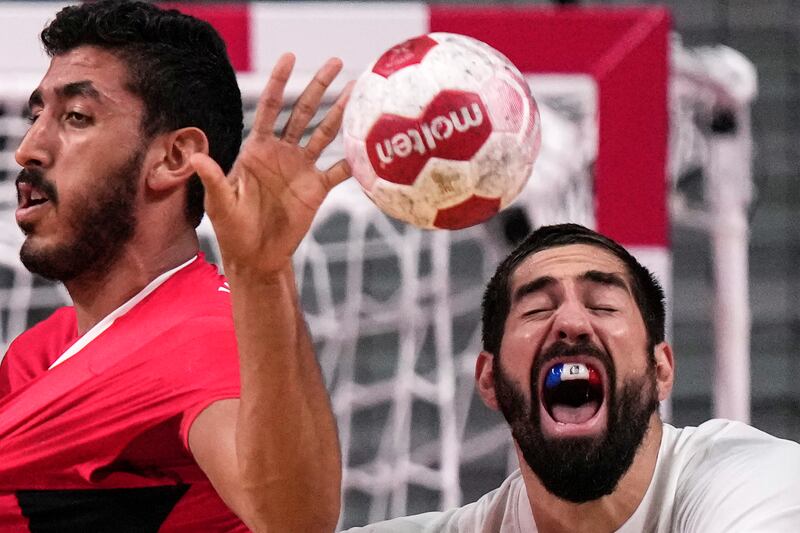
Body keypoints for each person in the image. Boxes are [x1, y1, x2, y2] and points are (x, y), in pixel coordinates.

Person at [0, 1, 349, 531]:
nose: (29, 148)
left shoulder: (203, 338)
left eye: (75, 117)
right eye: (35, 116)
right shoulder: (42, 350)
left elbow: (294, 521)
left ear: (173, 158)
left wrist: (262, 274)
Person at [346, 223, 800, 532]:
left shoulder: (750, 479)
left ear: (661, 369)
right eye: (537, 308)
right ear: (489, 380)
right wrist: (270, 280)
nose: (571, 322)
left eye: (602, 305)